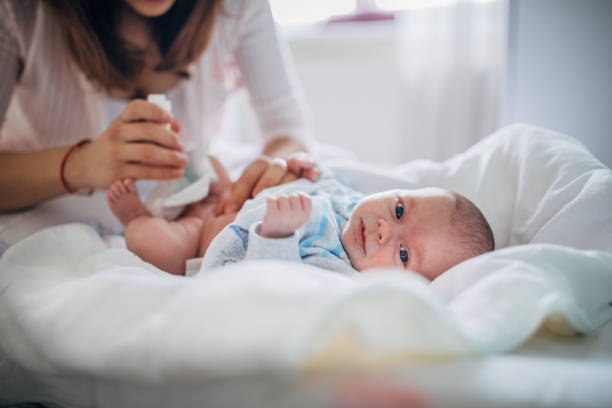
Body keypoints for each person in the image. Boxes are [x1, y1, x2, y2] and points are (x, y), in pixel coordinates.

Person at [0, 0, 315, 214]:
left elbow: (288, 128)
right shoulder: (18, 12)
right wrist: (79, 165)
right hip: (41, 217)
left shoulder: (237, 7)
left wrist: (275, 168)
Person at [108, 159, 495, 279]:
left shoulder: (337, 272)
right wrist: (303, 168)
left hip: (203, 237)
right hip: (232, 198)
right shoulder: (352, 203)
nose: (383, 229)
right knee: (205, 165)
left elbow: (274, 287)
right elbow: (322, 179)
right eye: (398, 211)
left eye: (405, 254)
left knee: (156, 247)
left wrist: (276, 236)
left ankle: (135, 215)